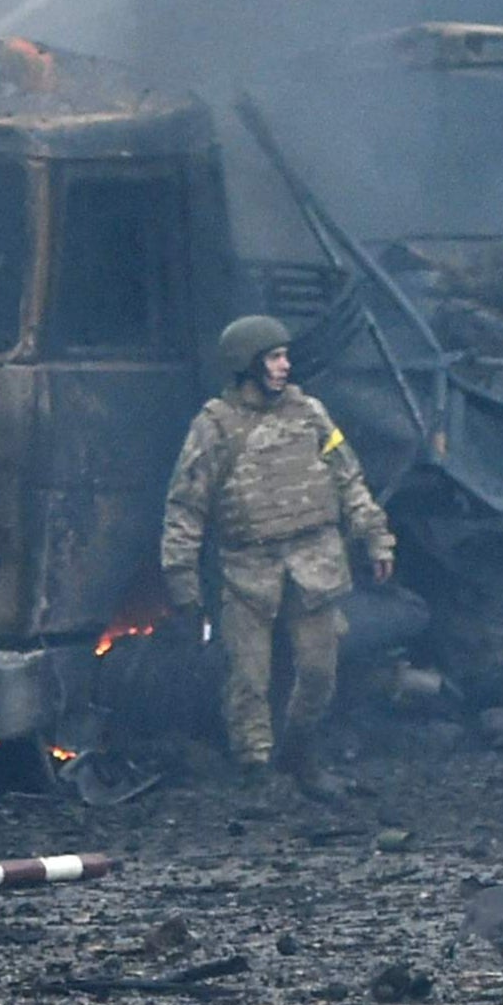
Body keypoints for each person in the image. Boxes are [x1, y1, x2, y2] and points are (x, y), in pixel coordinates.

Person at [161, 315, 393, 793]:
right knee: (248, 680)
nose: (285, 366)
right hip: (249, 571)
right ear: (247, 365)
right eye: (273, 357)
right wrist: (182, 581)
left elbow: (348, 479)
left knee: (318, 672)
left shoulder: (310, 414)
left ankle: (299, 755)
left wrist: (376, 538)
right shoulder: (214, 427)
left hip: (316, 563)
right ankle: (257, 771)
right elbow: (186, 507)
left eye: (285, 355)